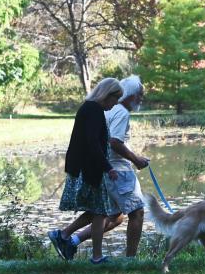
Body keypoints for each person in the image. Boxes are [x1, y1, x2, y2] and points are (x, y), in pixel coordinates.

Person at [56, 75, 150, 259]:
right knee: (137, 212)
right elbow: (113, 142)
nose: (141, 98)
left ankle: (69, 240)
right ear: (129, 95)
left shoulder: (104, 109)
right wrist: (136, 160)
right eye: (140, 94)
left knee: (113, 215)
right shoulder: (119, 111)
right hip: (117, 170)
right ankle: (130, 259)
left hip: (105, 167)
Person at [48, 77, 122, 264]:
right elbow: (92, 143)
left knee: (97, 211)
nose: (115, 104)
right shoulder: (93, 110)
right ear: (107, 95)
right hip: (89, 169)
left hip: (89, 167)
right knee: (100, 211)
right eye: (115, 99)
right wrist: (108, 167)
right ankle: (95, 256)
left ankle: (63, 236)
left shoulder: (90, 108)